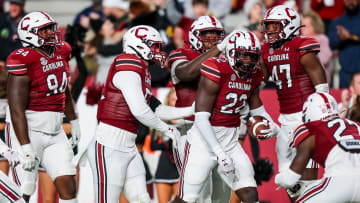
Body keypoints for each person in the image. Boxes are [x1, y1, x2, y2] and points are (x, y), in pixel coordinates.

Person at [86, 25, 193, 203]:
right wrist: (167, 130)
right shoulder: (129, 65)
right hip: (109, 145)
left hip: (128, 144)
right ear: (139, 45)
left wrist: (191, 110)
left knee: (141, 198)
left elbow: (157, 108)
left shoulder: (142, 71)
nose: (158, 51)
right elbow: (140, 110)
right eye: (154, 46)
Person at [174, 30, 279, 203]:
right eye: (244, 56)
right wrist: (219, 153)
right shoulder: (216, 69)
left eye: (252, 57)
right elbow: (201, 118)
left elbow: (257, 108)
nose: (248, 62)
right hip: (203, 144)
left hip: (230, 143)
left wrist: (273, 126)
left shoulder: (254, 75)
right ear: (231, 53)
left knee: (250, 193)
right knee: (187, 199)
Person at [6, 11, 80, 203]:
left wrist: (74, 120)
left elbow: (63, 90)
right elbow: (16, 109)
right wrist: (26, 147)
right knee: (23, 190)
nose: (50, 32)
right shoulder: (23, 58)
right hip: (28, 128)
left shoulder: (62, 50)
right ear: (29, 33)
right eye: (44, 29)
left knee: (68, 186)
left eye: (50, 28)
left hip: (55, 130)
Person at [261, 5, 328, 200]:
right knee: (291, 186)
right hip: (285, 123)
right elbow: (258, 83)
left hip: (306, 121)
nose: (270, 30)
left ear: (289, 25)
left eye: (275, 26)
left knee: (308, 184)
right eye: (269, 26)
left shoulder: (303, 48)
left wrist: (318, 121)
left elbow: (322, 89)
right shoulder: (266, 50)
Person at [167, 15, 228, 202]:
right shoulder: (180, 54)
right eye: (206, 35)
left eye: (216, 35)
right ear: (194, 36)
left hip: (219, 130)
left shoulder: (226, 59)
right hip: (190, 129)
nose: (212, 39)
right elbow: (185, 73)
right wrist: (218, 50)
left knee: (222, 193)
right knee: (194, 194)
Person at [275, 92, 360, 202]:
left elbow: (290, 179)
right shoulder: (356, 125)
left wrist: (279, 178)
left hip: (338, 183)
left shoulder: (311, 128)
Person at [328, 0, 360, 88]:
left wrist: (351, 37)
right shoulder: (337, 22)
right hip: (345, 73)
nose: (350, 2)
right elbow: (332, 44)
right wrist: (341, 39)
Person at [301, 9, 332, 84]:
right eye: (301, 25)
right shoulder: (299, 40)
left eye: (305, 26)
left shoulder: (322, 39)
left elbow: (324, 58)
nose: (302, 28)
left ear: (314, 26)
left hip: (319, 82)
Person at [0, 0, 27, 66]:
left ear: (23, 6)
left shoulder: (28, 21)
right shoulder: (2, 19)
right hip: (3, 66)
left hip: (22, 67)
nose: (13, 8)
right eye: (12, 4)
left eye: (16, 5)